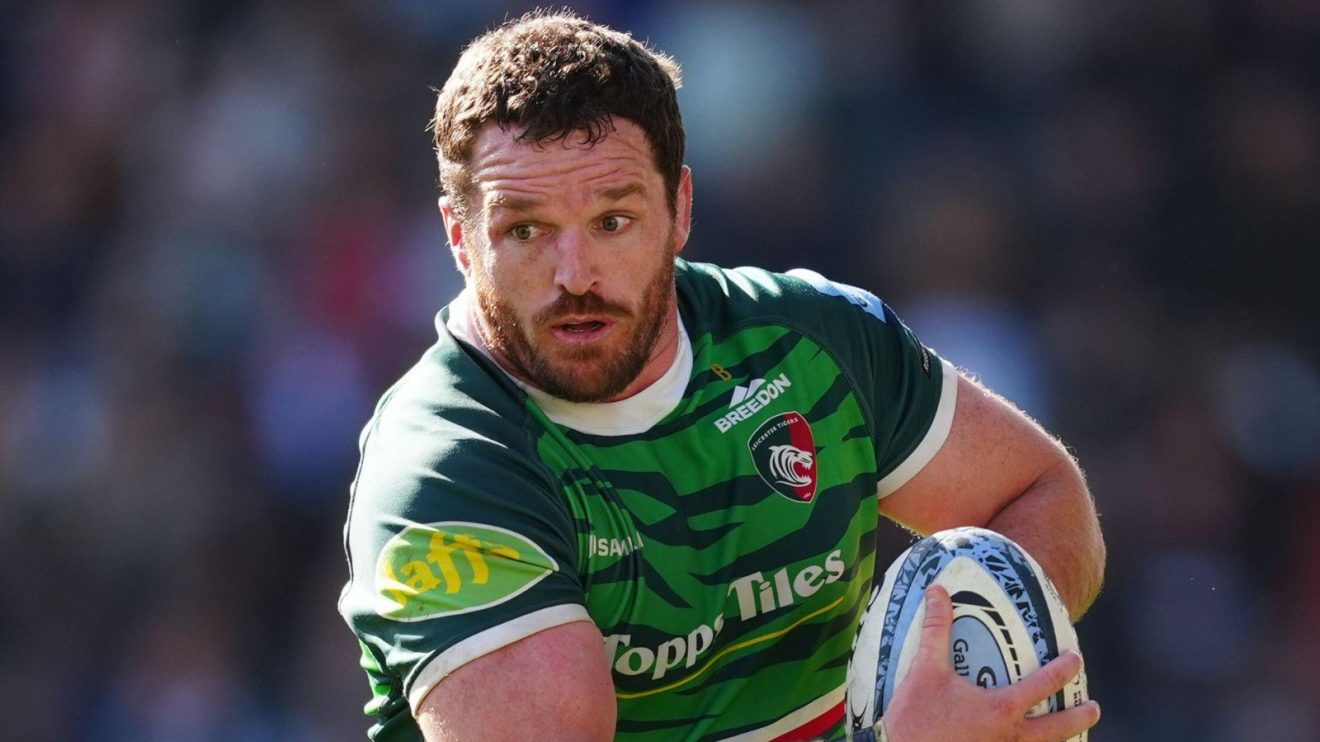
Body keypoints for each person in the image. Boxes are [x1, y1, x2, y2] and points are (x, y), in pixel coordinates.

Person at [338, 10, 1105, 742]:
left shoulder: (812, 344)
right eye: (526, 230)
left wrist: (960, 670)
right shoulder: (447, 473)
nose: (574, 274)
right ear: (459, 238)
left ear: (680, 209)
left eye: (613, 220)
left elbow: (1042, 496)